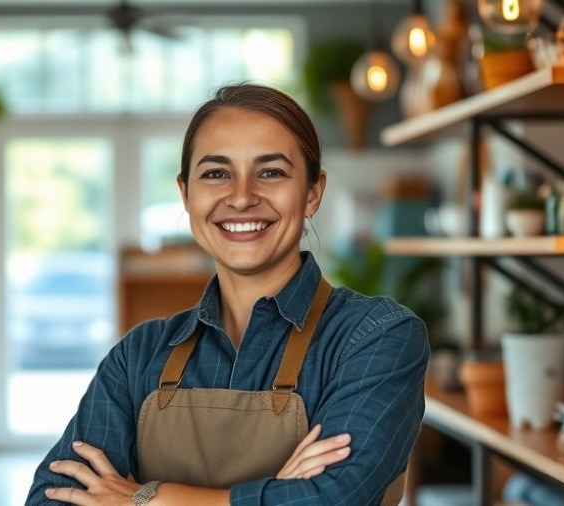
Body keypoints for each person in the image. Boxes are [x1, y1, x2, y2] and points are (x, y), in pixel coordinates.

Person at [25, 83, 429, 505]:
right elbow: (52, 499)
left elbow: (334, 499)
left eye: (271, 171)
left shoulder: (375, 338)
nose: (241, 197)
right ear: (186, 193)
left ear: (312, 193)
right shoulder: (138, 358)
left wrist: (146, 498)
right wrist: (280, 491)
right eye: (216, 173)